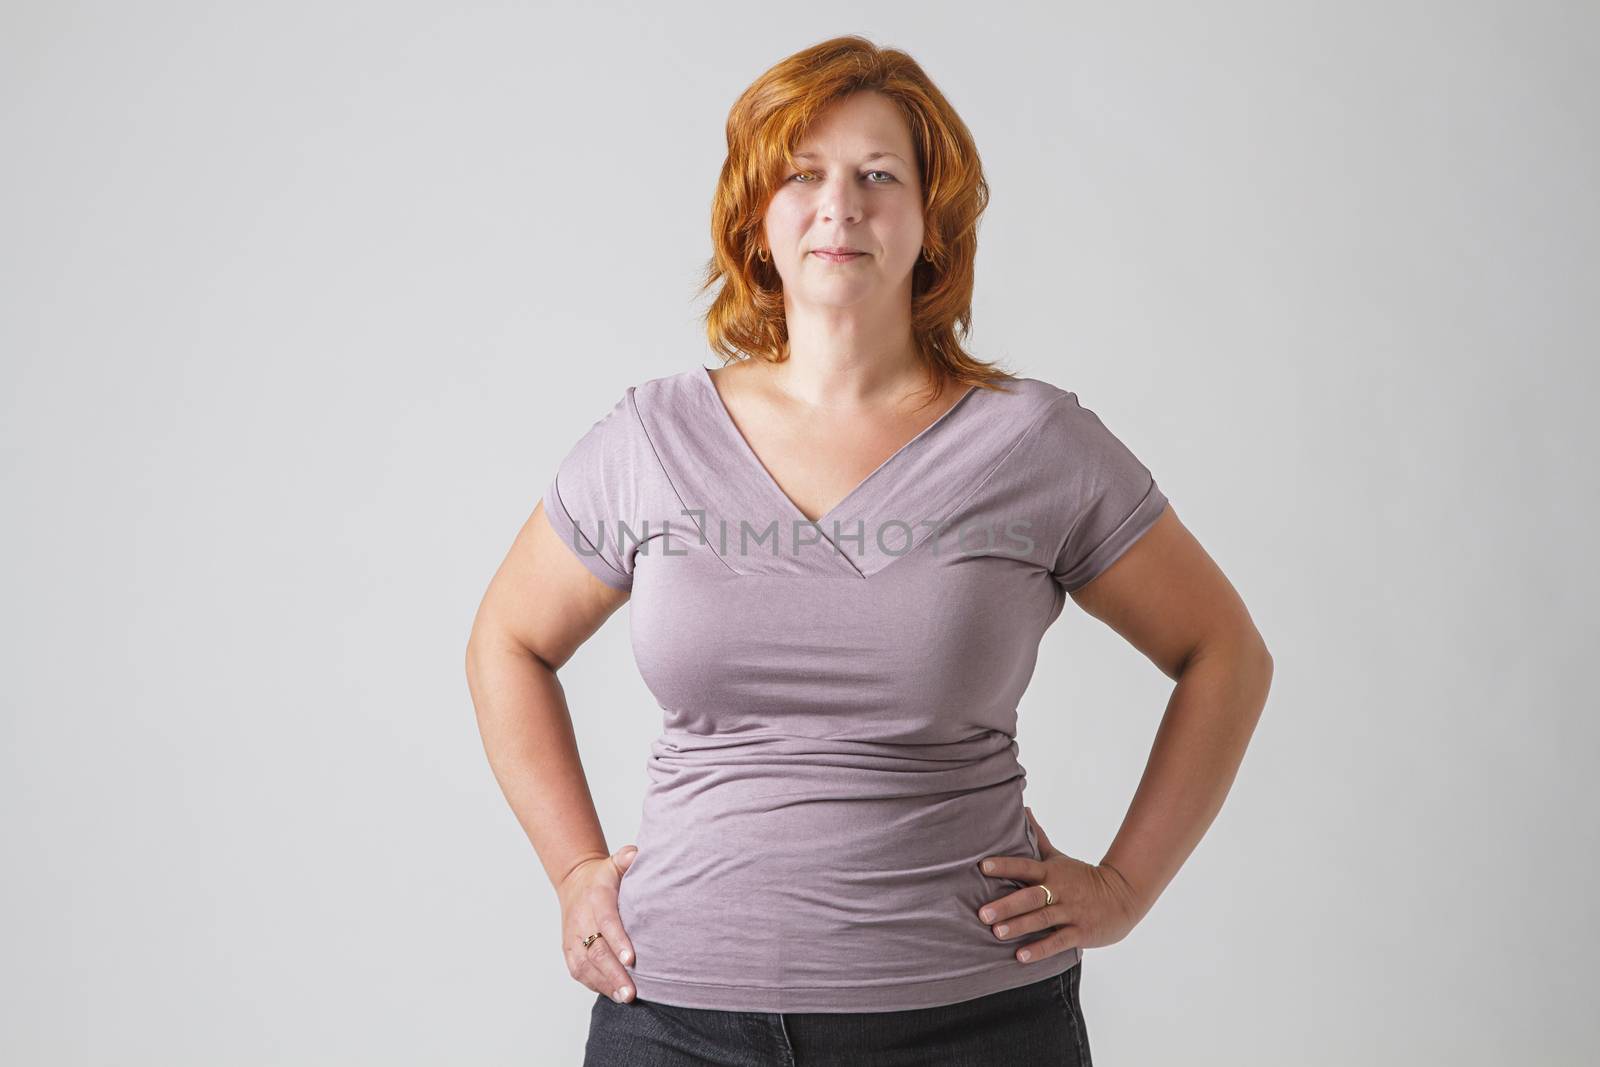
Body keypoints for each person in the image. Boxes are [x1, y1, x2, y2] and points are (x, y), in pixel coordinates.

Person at [465, 34, 1273, 1067]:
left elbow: (1224, 652)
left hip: (970, 1021)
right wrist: (574, 866)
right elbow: (506, 640)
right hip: (674, 1019)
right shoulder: (651, 439)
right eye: (802, 175)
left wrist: (1123, 886)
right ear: (757, 216)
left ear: (931, 217)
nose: (839, 206)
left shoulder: (1031, 443)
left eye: (877, 175)